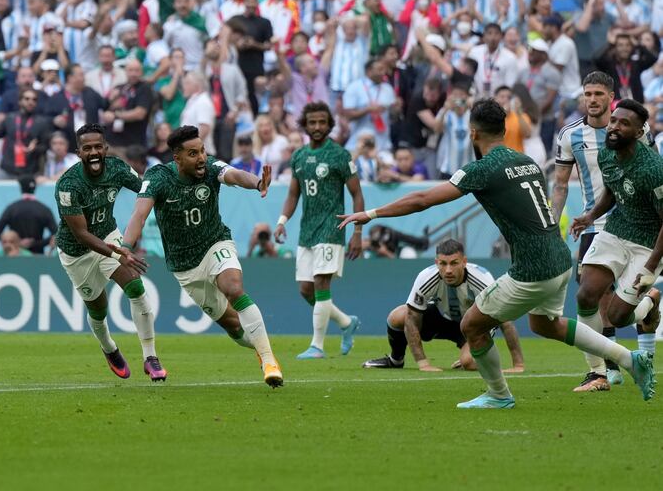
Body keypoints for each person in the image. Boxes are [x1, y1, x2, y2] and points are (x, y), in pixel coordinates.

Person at [339, 99, 655, 408]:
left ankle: (499, 395)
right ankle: (629, 359)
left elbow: (423, 198)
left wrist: (371, 214)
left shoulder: (484, 169)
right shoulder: (526, 161)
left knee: (471, 326)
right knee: (546, 324)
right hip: (559, 258)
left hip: (533, 268)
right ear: (504, 130)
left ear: (473, 133)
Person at [122, 125, 283, 388]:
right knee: (234, 325)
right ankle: (258, 349)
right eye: (193, 153)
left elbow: (234, 175)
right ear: (177, 157)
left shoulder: (210, 167)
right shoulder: (158, 177)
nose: (201, 158)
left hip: (215, 243)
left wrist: (257, 183)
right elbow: (139, 215)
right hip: (185, 266)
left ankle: (269, 360)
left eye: (203, 151)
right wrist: (126, 247)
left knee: (233, 287)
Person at [54, 123, 166, 381]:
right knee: (98, 308)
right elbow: (81, 234)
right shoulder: (68, 185)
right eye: (87, 148)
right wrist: (119, 253)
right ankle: (108, 347)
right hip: (77, 252)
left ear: (105, 148)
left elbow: (144, 189)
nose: (93, 152)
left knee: (136, 288)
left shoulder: (117, 168)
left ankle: (150, 357)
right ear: (79, 152)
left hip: (108, 235)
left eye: (97, 147)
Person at [569, 99, 663, 395]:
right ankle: (597, 372)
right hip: (616, 231)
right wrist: (590, 216)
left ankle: (650, 301)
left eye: (624, 124)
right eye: (614, 121)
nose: (614, 127)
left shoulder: (653, 169)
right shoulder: (607, 155)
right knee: (585, 295)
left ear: (638, 133)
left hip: (647, 244)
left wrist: (650, 269)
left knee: (619, 317)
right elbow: (612, 189)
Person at [551, 72, 632, 390]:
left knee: (624, 301)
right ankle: (607, 366)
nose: (593, 99)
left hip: (631, 222)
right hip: (593, 225)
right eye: (588, 94)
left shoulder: (633, 129)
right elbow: (559, 186)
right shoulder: (570, 135)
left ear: (611, 96)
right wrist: (550, 225)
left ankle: (649, 309)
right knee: (590, 292)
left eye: (599, 93)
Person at [274, 102, 364, 359]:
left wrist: (357, 232)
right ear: (305, 124)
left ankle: (317, 346)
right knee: (306, 289)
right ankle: (347, 323)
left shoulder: (340, 155)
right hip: (307, 230)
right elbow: (293, 193)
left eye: (322, 122)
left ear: (329, 125)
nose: (317, 127)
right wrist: (282, 220)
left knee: (321, 283)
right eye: (312, 122)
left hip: (332, 227)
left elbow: (357, 194)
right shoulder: (299, 156)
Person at [362, 239, 525, 373]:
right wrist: (423, 363)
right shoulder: (426, 277)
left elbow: (505, 320)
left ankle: (468, 357)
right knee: (397, 316)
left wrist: (518, 365)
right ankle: (395, 360)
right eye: (443, 263)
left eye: (454, 263)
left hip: (471, 325)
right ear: (436, 262)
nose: (448, 270)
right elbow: (412, 318)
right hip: (441, 318)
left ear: (464, 262)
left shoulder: (483, 279)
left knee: (468, 363)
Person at [0, 176, 58, 255]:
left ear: (21, 188)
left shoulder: (12, 208)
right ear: (34, 188)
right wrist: (36, 244)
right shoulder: (44, 209)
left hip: (16, 255)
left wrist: (15, 242)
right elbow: (56, 234)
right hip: (38, 256)